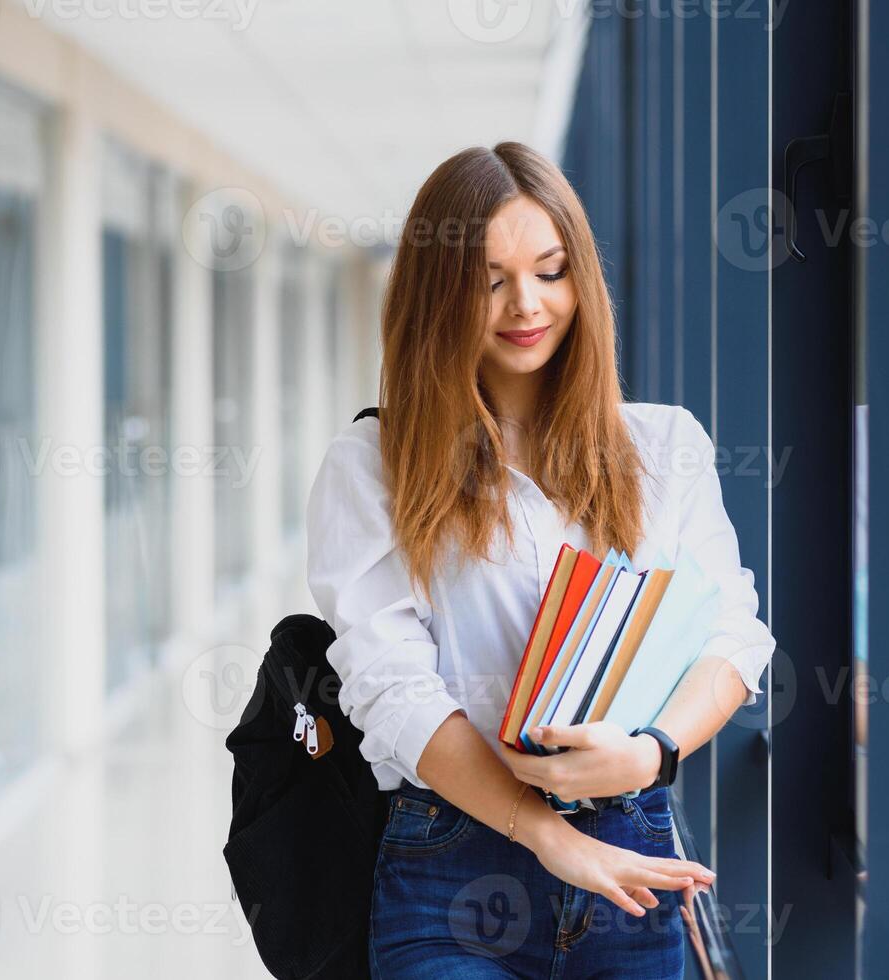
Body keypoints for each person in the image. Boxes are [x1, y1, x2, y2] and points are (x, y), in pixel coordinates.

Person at [305, 142, 777, 978]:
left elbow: (733, 636)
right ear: (437, 295)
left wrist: (650, 754)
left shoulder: (664, 447)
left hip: (630, 851)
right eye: (489, 281)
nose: (526, 304)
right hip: (453, 863)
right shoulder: (375, 463)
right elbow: (392, 688)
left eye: (551, 271)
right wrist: (549, 837)